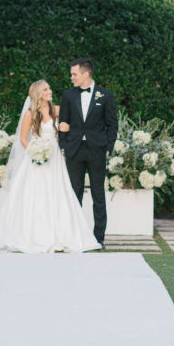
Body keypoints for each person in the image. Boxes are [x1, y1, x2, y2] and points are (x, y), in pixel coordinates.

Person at [0, 79, 100, 254]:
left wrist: (68, 130)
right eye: (45, 90)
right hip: (36, 160)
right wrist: (36, 152)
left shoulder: (57, 110)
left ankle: (62, 236)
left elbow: (75, 124)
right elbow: (23, 139)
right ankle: (36, 237)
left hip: (55, 159)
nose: (50, 91)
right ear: (38, 94)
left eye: (49, 88)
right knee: (36, 196)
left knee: (58, 193)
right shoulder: (30, 114)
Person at [57, 58, 118, 246]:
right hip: (74, 151)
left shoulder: (105, 96)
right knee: (74, 195)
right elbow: (63, 123)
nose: (71, 78)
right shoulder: (68, 96)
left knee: (98, 195)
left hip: (96, 151)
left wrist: (107, 147)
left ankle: (99, 239)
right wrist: (63, 145)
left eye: (74, 74)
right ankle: (75, 238)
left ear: (86, 74)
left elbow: (112, 124)